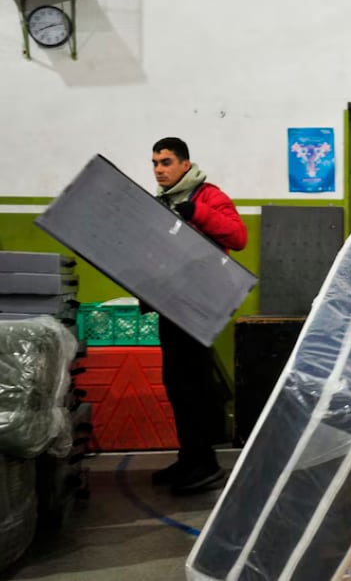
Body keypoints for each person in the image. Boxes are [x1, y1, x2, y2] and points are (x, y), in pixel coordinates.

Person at [149, 137, 248, 495]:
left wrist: (197, 214)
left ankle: (206, 463)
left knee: (194, 385)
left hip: (199, 303)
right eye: (155, 163)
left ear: (185, 165)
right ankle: (189, 457)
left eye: (166, 162)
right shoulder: (162, 201)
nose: (159, 170)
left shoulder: (208, 196)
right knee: (176, 384)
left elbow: (238, 237)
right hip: (171, 302)